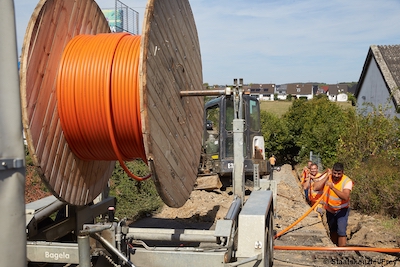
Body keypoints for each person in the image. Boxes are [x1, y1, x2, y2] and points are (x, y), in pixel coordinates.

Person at [313, 162, 353, 247]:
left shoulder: (347, 181)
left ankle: (343, 251)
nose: (336, 175)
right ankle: (334, 247)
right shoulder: (328, 177)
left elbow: (345, 196)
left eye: (339, 174)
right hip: (330, 210)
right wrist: (327, 176)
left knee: (341, 231)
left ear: (343, 172)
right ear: (332, 171)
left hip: (342, 210)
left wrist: (332, 187)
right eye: (334, 173)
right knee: (333, 230)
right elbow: (316, 187)